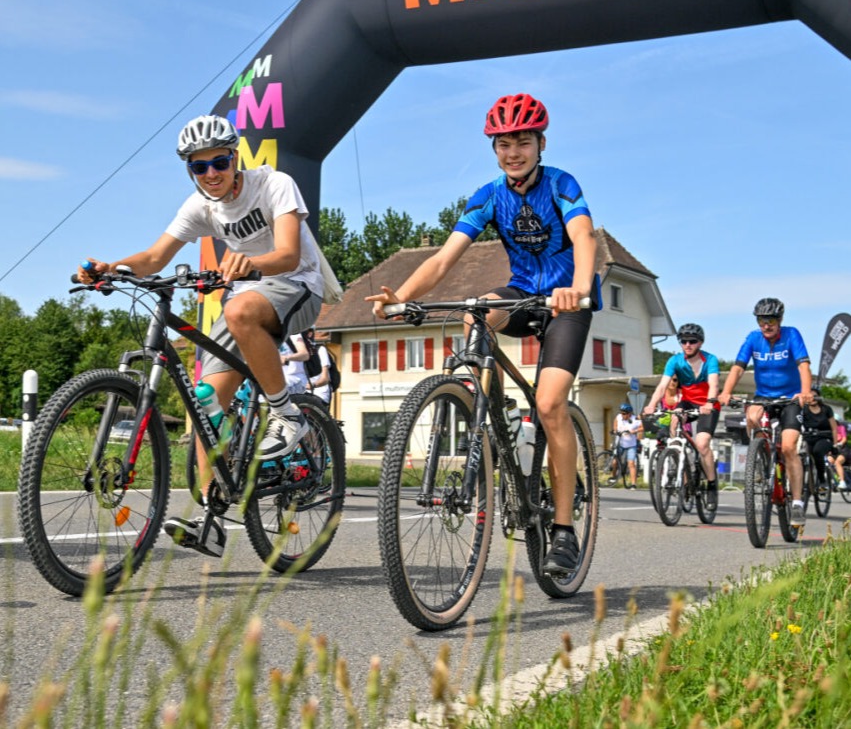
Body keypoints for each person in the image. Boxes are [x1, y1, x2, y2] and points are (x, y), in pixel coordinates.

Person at [366, 92, 601, 578]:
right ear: (494, 149)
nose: (513, 152)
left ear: (541, 143)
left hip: (564, 301)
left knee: (551, 402)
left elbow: (583, 237)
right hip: (521, 291)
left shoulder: (562, 183)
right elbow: (443, 259)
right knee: (476, 313)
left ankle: (562, 531)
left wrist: (576, 289)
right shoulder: (488, 195)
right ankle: (482, 410)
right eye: (503, 144)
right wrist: (401, 298)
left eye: (523, 141)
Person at [78, 114, 323, 556]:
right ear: (189, 168)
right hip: (245, 302)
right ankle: (212, 515)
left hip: (298, 286)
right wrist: (112, 268)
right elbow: (154, 257)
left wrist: (251, 264)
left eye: (220, 162)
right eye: (199, 166)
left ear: (235, 158)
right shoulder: (200, 207)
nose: (211, 174)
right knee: (206, 404)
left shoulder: (274, 184)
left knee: (239, 307)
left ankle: (288, 414)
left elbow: (287, 254)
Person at [718, 298, 813, 528]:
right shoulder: (753, 338)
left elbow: (803, 365)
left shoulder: (792, 335)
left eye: (770, 320)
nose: (765, 325)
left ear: (779, 320)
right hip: (764, 395)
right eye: (761, 320)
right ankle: (761, 456)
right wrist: (726, 392)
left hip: (790, 397)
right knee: (751, 415)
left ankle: (798, 503)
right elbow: (738, 367)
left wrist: (805, 392)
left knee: (789, 446)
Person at [644, 323, 721, 511]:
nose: (687, 345)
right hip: (687, 403)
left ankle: (711, 486)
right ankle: (681, 467)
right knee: (675, 421)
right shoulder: (675, 361)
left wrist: (710, 402)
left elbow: (713, 384)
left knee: (702, 444)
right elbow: (662, 386)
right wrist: (652, 404)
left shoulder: (710, 360)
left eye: (692, 341)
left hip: (707, 405)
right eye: (684, 341)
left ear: (700, 343)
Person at [801, 387, 841, 489]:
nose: (813, 398)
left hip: (824, 438)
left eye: (815, 396)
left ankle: (822, 480)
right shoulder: (803, 410)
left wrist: (835, 445)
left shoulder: (826, 409)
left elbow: (834, 428)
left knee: (817, 451)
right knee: (800, 455)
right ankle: (804, 482)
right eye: (810, 396)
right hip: (809, 438)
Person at [609, 403, 643, 489]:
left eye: (624, 413)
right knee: (614, 461)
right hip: (619, 443)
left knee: (631, 464)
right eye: (621, 413)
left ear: (629, 414)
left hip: (631, 445)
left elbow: (643, 427)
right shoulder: (618, 417)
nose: (622, 415)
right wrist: (615, 430)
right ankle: (613, 477)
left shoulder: (635, 419)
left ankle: (633, 484)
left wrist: (634, 431)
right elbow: (615, 424)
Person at [304, 329, 333, 404]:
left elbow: (325, 378)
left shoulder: (320, 350)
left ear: (309, 334)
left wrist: (313, 385)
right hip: (304, 394)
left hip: (320, 393)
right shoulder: (298, 353)